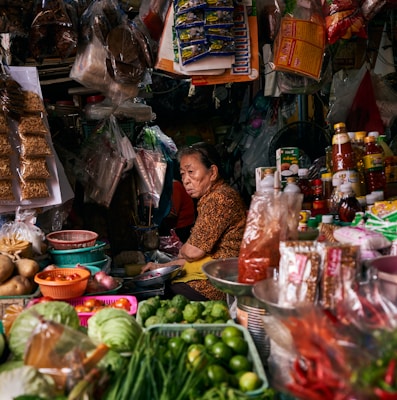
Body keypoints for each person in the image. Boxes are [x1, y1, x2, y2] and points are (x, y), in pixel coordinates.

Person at [142, 142, 247, 301]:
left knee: (163, 295)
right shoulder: (211, 197)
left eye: (191, 171)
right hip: (211, 274)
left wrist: (183, 250)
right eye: (183, 173)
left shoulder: (219, 199)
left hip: (216, 284)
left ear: (212, 173)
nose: (186, 180)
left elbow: (193, 252)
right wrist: (161, 267)